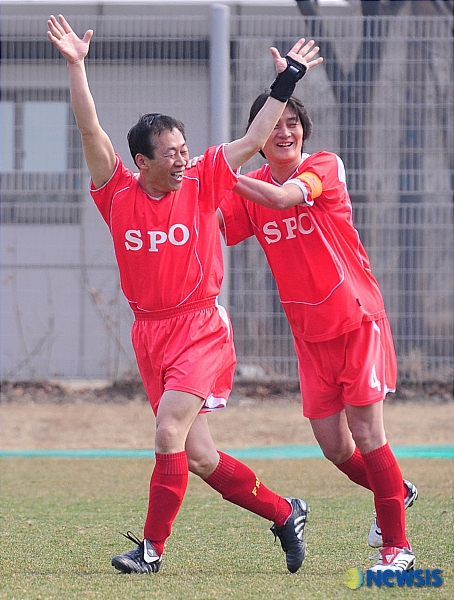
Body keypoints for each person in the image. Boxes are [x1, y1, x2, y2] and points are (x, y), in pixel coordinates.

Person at [47, 14, 324, 575]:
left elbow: (253, 139)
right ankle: (284, 512)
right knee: (198, 455)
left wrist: (286, 81)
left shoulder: (204, 177)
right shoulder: (115, 192)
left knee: (168, 431)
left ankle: (151, 551)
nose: (182, 158)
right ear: (141, 162)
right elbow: (90, 129)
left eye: (184, 148)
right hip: (150, 333)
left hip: (200, 327)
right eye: (170, 152)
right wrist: (76, 66)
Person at [218, 92, 418, 573]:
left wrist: (217, 171)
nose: (285, 132)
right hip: (309, 335)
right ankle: (395, 491)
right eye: (273, 125)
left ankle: (398, 548)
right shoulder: (253, 185)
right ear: (258, 136)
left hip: (356, 320)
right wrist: (166, 193)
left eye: (292, 122)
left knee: (367, 433)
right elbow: (214, 222)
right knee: (336, 448)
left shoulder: (323, 166)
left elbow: (283, 197)